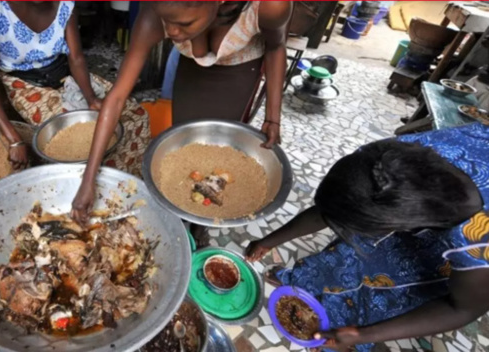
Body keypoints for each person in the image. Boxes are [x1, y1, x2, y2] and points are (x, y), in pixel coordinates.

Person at [245, 123, 489, 351]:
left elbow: (462, 308)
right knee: (352, 250)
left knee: (389, 281)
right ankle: (305, 281)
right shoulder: (388, 159)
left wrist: (363, 334)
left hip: (459, 259)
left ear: (399, 225)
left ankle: (350, 323)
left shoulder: (476, 243)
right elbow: (334, 208)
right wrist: (269, 241)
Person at [72, 1, 292, 224]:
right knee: (184, 141)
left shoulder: (270, 6)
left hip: (240, 67)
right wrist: (89, 179)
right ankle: (186, 214)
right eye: (167, 21)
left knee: (222, 148)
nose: (172, 31)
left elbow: (276, 47)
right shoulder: (156, 12)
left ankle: (203, 224)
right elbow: (117, 97)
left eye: (183, 23)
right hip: (192, 65)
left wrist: (273, 117)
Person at [0, 1, 150, 174]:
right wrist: (14, 140)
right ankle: (84, 192)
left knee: (134, 117)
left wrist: (91, 98)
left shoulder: (64, 3)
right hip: (24, 83)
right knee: (71, 138)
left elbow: (75, 57)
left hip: (65, 74)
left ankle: (123, 183)